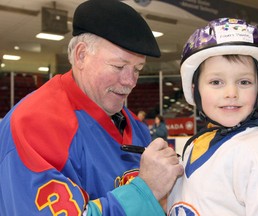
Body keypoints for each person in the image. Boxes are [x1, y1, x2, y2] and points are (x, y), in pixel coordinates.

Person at [0, 0, 183, 215]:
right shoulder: (33, 123)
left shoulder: (135, 126)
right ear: (81, 55)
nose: (130, 81)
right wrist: (146, 190)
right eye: (119, 66)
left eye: (137, 69)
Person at [167, 18, 258, 215]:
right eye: (216, 82)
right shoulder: (196, 145)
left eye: (244, 82)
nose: (231, 93)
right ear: (194, 90)